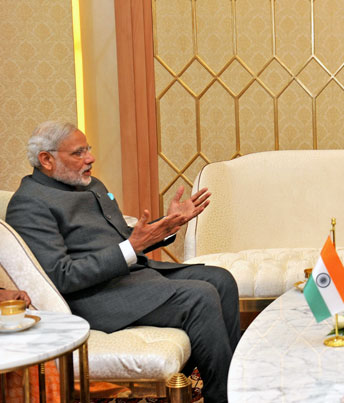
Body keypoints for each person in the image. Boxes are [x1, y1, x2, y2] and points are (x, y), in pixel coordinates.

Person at [5, 121, 240, 403]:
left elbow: (126, 239)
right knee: (200, 297)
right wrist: (132, 246)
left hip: (128, 277)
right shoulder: (30, 203)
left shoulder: (92, 185)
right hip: (95, 297)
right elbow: (61, 275)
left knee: (222, 279)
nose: (90, 158)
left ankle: (225, 384)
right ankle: (224, 397)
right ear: (46, 159)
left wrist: (166, 225)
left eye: (88, 150)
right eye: (78, 153)